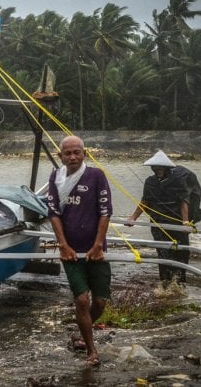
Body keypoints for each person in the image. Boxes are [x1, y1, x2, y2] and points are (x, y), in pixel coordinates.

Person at [46, 135, 112, 366]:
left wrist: (97, 245)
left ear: (84, 154)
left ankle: (83, 329)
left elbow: (105, 211)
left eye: (77, 152)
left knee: (100, 302)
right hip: (71, 252)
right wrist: (63, 245)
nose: (73, 157)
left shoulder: (96, 176)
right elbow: (53, 213)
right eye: (68, 153)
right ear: (60, 156)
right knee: (82, 300)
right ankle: (91, 350)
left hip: (96, 250)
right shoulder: (56, 177)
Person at [126, 150, 201, 285]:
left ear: (167, 167)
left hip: (176, 222)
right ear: (152, 168)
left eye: (161, 167)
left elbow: (184, 201)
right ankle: (165, 283)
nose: (158, 170)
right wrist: (133, 218)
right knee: (163, 253)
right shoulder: (150, 182)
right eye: (156, 167)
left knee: (182, 253)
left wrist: (185, 222)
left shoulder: (178, 180)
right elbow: (145, 202)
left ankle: (180, 283)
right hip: (158, 223)